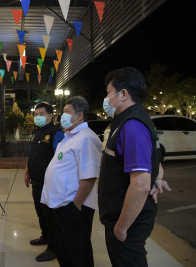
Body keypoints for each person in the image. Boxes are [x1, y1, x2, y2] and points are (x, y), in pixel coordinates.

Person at [98, 67, 170, 267]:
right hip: (123, 216)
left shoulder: (132, 125)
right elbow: (155, 160)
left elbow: (139, 185)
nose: (106, 98)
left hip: (127, 220)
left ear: (123, 94)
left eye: (108, 93)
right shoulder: (129, 120)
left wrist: (121, 228)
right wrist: (157, 177)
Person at [41, 96, 102, 267]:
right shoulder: (70, 136)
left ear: (80, 115)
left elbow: (89, 176)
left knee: (78, 253)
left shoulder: (86, 138)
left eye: (67, 112)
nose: (63, 116)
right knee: (64, 249)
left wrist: (76, 204)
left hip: (73, 206)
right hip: (61, 204)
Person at [24, 102, 64, 262]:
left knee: (50, 216)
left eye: (41, 114)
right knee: (40, 212)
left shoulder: (56, 133)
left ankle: (54, 247)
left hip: (50, 183)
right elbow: (31, 155)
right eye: (36, 114)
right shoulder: (36, 133)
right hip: (37, 181)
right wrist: (27, 172)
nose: (37, 117)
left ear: (50, 116)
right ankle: (45, 236)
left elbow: (60, 159)